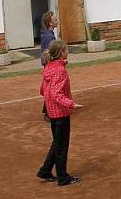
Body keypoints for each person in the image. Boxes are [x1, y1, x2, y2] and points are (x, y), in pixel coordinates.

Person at [36, 39, 82, 186]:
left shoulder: (48, 68)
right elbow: (56, 93)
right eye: (66, 49)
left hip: (52, 112)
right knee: (61, 145)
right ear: (61, 53)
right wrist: (71, 104)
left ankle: (45, 170)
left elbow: (43, 90)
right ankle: (62, 177)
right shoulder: (60, 70)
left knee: (57, 143)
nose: (68, 52)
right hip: (61, 113)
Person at [40, 11, 58, 121]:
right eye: (55, 20)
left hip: (49, 66)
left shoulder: (48, 34)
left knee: (50, 88)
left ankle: (46, 110)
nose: (57, 21)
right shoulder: (49, 37)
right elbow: (47, 53)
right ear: (50, 23)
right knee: (51, 89)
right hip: (50, 66)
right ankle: (48, 112)